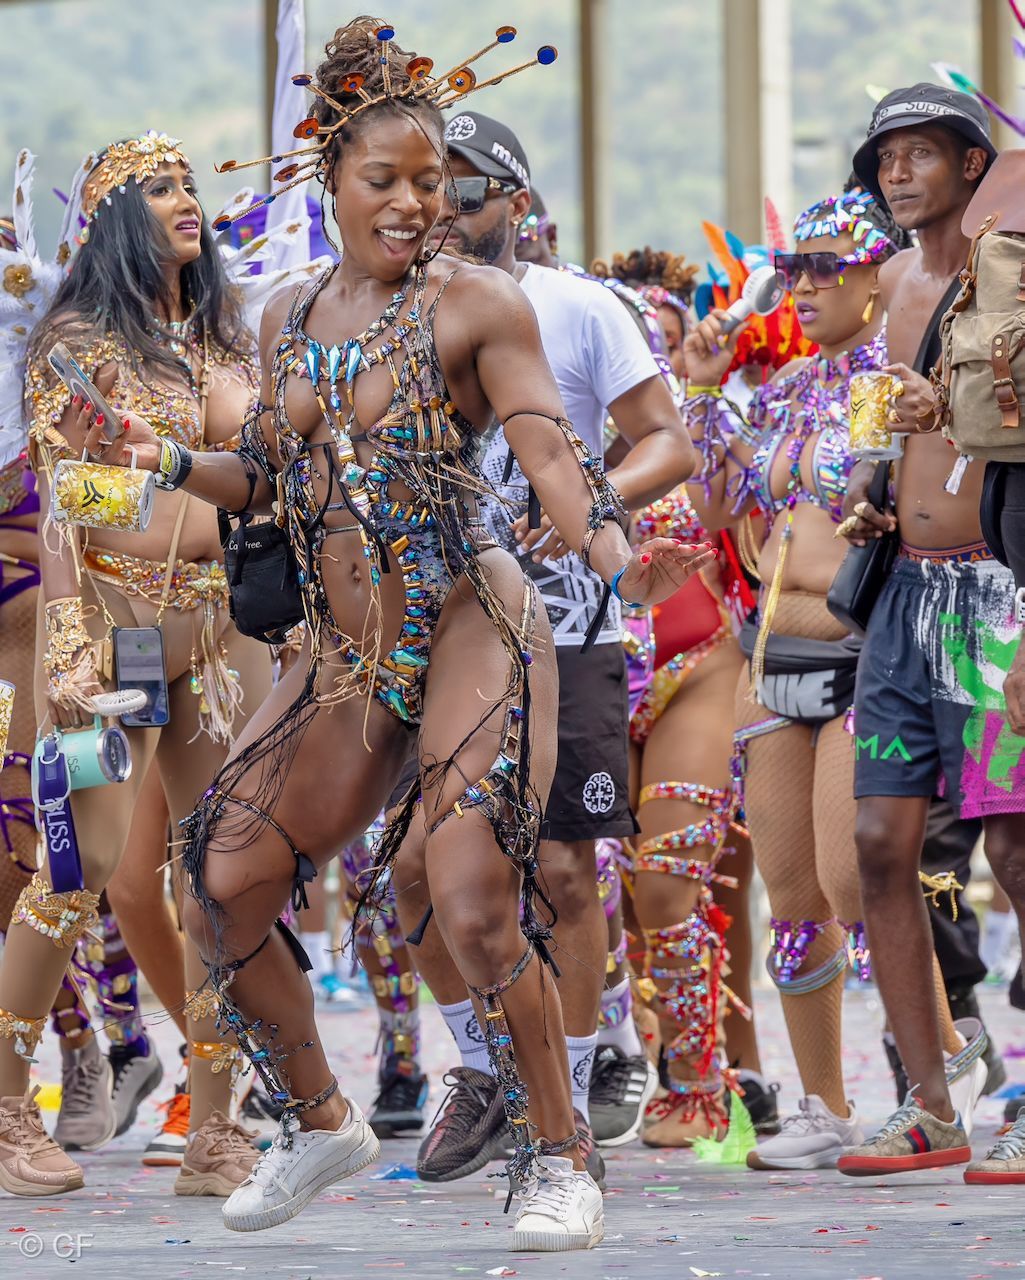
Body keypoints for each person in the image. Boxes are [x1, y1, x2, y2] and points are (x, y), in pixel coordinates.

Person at [77, 19, 709, 1248]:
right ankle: (317, 1117)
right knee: (222, 875)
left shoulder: (484, 303)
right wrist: (150, 456)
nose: (419, 203)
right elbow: (262, 476)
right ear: (333, 184)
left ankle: (559, 1153)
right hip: (342, 647)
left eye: (435, 181)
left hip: (472, 615)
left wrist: (607, 541)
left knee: (474, 897)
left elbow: (544, 446)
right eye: (390, 181)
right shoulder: (285, 313)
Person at [389, 114, 689, 1173]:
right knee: (412, 872)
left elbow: (667, 437)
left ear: (516, 201)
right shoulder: (391, 314)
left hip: (564, 624)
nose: (445, 211)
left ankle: (570, 1079)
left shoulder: (578, 306)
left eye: (467, 189)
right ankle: (483, 1066)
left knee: (561, 864)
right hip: (430, 636)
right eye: (430, 188)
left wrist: (585, 502)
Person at [683, 187, 981, 1171]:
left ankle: (945, 1055)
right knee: (789, 892)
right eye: (792, 270)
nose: (802, 286)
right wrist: (700, 386)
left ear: (875, 277)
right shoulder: (776, 391)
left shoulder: (895, 380)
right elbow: (719, 498)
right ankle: (821, 1102)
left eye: (825, 269)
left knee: (856, 876)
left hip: (863, 646)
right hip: (770, 654)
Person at [0, 131, 272, 1200]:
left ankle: (216, 1131)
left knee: (218, 880)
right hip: (111, 626)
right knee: (75, 870)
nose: (186, 200)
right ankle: (9, 1110)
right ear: (118, 216)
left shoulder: (217, 344)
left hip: (214, 634)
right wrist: (66, 636)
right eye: (160, 187)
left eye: (191, 184)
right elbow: (69, 504)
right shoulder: (78, 344)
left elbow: (250, 490)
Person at [837, 85, 1025, 1180]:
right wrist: (867, 487)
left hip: (997, 602)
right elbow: (893, 431)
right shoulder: (894, 284)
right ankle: (927, 1102)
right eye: (883, 161)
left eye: (920, 155)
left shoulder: (1010, 269)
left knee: (1011, 847)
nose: (898, 174)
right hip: (904, 600)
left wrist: (943, 412)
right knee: (876, 843)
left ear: (969, 166)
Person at [587, 243, 772, 1145]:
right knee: (590, 891)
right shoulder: (552, 439)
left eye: (657, 346)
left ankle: (698, 1080)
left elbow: (719, 510)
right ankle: (616, 1056)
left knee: (665, 887)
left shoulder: (693, 433)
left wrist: (701, 392)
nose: (639, 365)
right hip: (585, 675)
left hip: (696, 674)